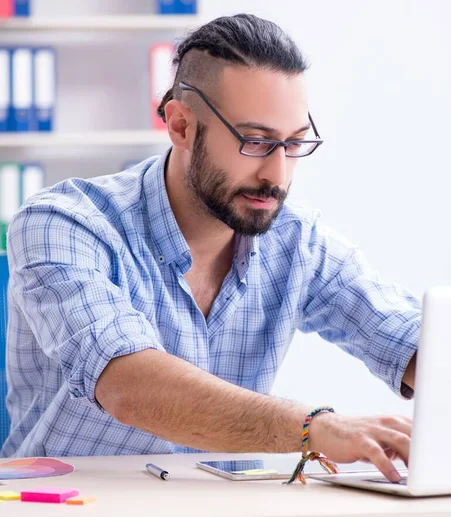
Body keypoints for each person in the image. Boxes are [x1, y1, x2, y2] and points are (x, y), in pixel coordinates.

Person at [1, 14, 420, 483]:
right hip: (70, 500)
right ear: (181, 126)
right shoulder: (64, 223)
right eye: (255, 141)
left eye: (295, 144)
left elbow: (410, 339)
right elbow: (127, 385)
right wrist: (313, 429)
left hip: (227, 501)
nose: (277, 176)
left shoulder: (298, 241)